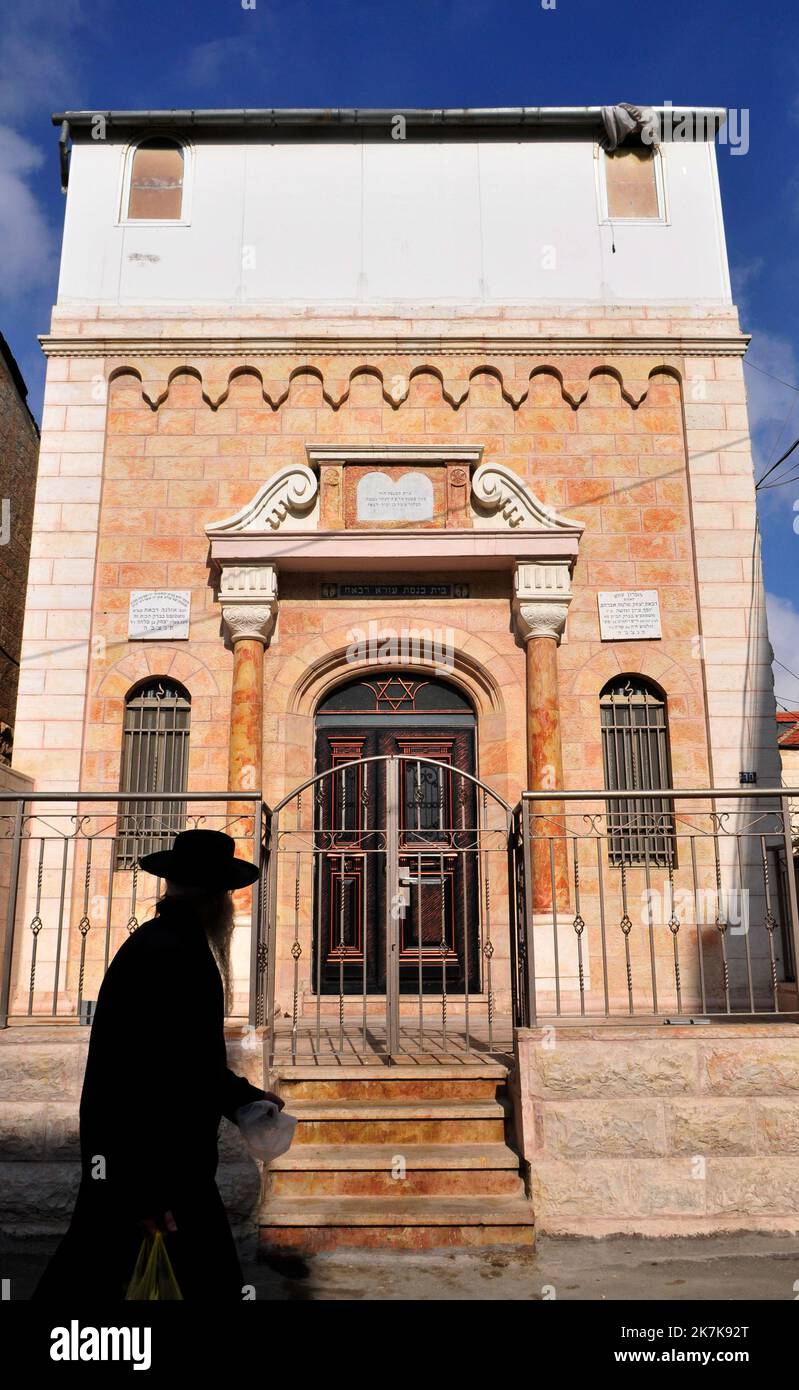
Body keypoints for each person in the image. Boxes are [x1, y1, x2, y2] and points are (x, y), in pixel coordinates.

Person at [33, 828, 282, 1302]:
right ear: (220, 897)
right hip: (156, 1170)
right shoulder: (175, 952)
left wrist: (244, 1098)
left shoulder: (162, 942)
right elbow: (142, 1078)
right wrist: (144, 1191)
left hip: (146, 1166)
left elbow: (185, 1065)